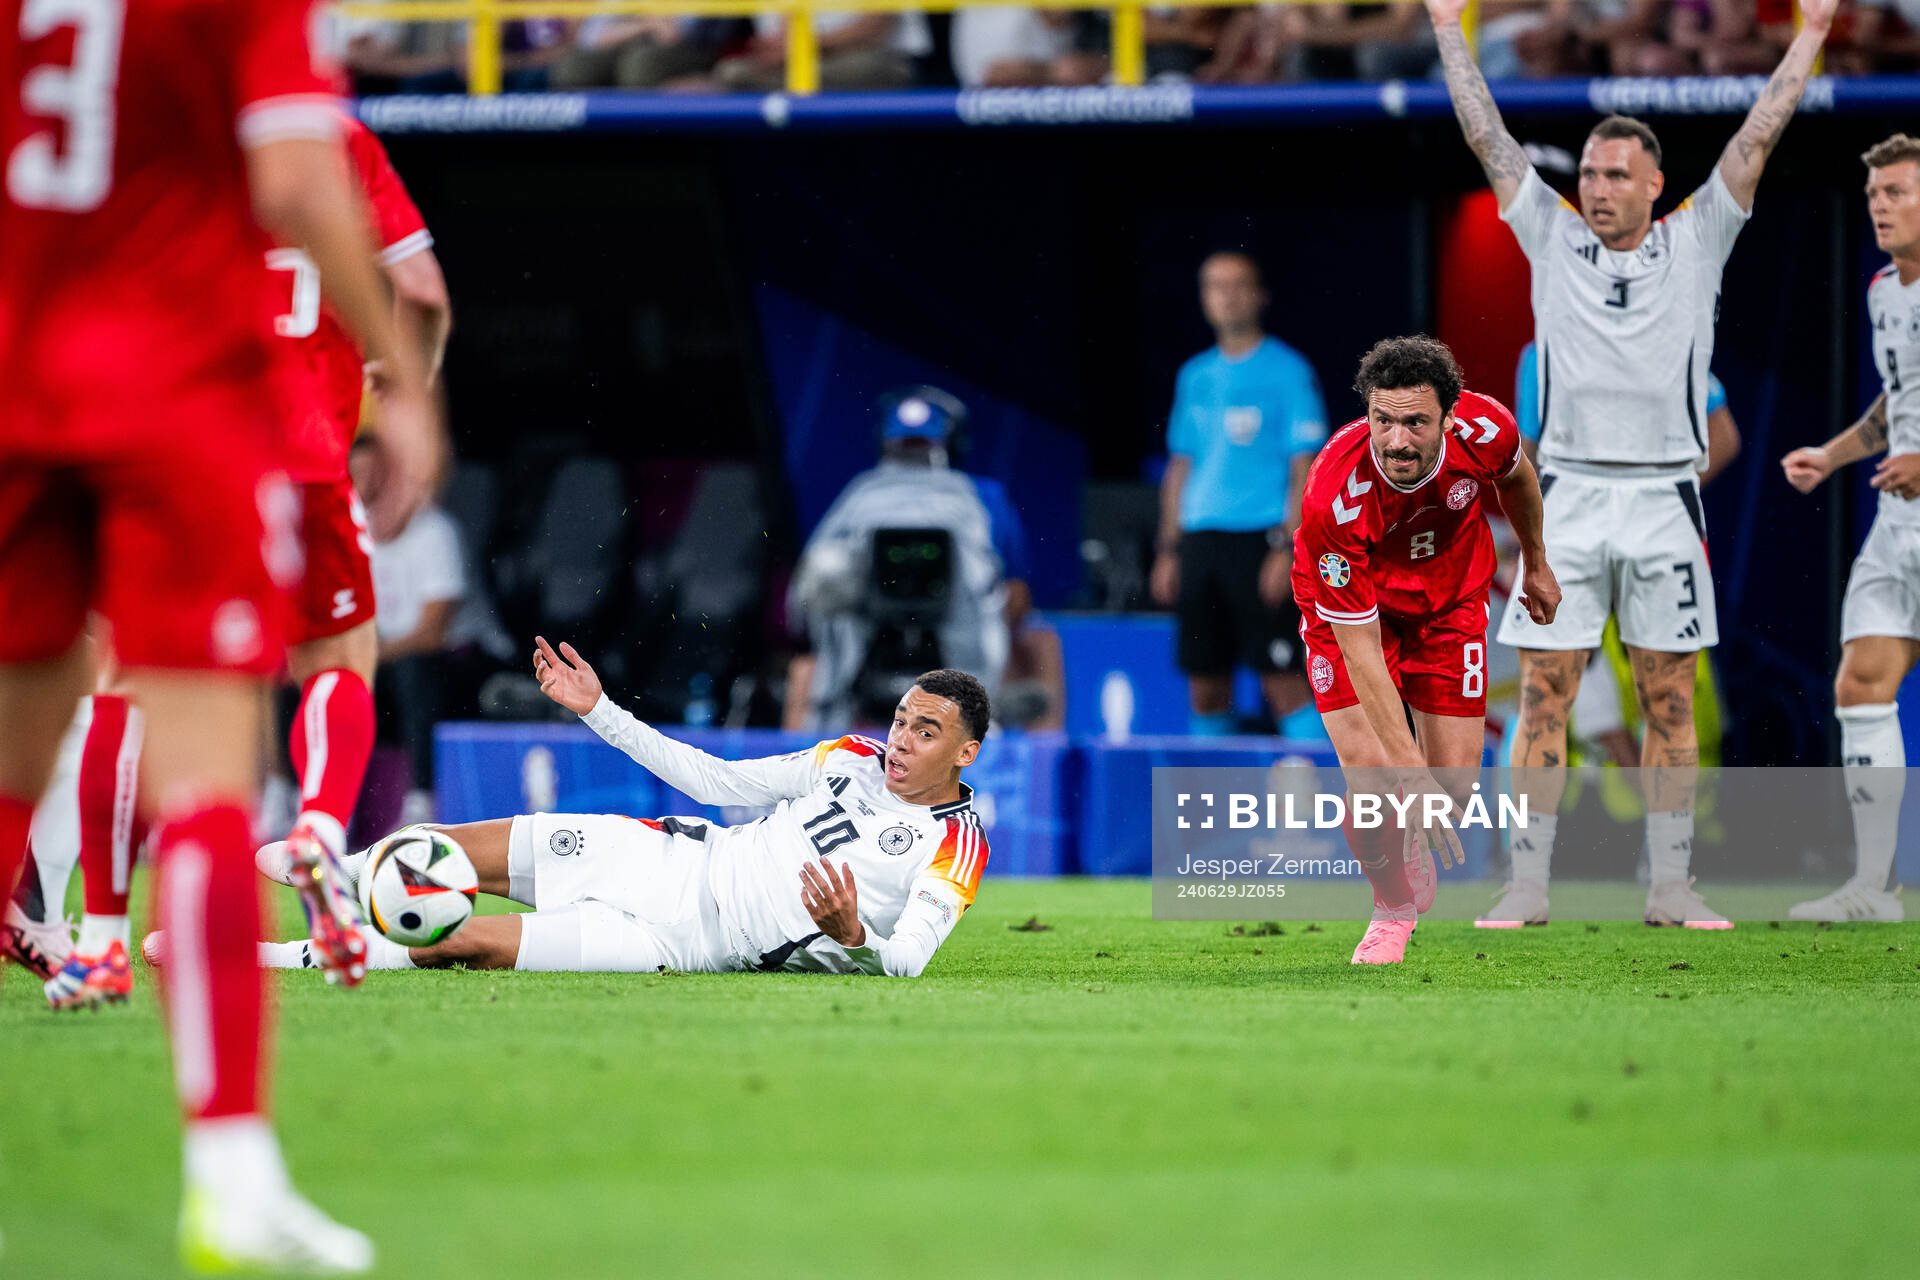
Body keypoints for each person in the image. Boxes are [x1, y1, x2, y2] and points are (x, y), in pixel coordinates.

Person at [0, 0, 439, 1270]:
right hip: (184, 402)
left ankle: (87, 936)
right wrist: (402, 385)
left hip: (21, 385)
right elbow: (306, 180)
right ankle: (232, 1174)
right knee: (210, 758)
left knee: (44, 726)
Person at [1427, 0, 1836, 929]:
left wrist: (1811, 32)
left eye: (1619, 173)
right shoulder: (1551, 236)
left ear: (1657, 183)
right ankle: (1526, 886)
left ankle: (1670, 887)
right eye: (1594, 172)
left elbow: (1759, 133)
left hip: (1661, 502)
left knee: (1667, 696)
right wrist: (1450, 24)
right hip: (1568, 501)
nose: (1600, 187)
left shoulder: (1699, 239)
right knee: (1545, 696)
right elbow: (1486, 135)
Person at [156, 640, 991, 979]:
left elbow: (909, 960)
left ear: (965, 752)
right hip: (668, 856)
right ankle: (299, 868)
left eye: (926, 731)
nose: (900, 739)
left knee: (466, 939)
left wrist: (855, 937)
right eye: (899, 720)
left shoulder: (957, 844)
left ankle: (258, 956)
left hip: (688, 941)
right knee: (439, 849)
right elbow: (710, 780)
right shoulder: (843, 760)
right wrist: (598, 710)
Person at [1292, 337, 1558, 965]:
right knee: (1374, 776)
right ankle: (1390, 910)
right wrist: (1406, 771)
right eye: (1383, 420)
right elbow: (1362, 654)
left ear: (1449, 415)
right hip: (1353, 617)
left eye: (1416, 422)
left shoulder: (1486, 429)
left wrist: (1538, 564)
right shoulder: (1333, 496)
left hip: (1448, 603)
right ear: (1368, 414)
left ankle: (1410, 830)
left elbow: (1518, 477)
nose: (1398, 440)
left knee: (1454, 792)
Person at [1779, 134, 1920, 924]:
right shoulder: (1882, 290)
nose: (1882, 208)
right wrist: (1831, 458)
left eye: (1898, 193)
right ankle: (1877, 886)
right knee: (1861, 685)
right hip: (1898, 525)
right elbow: (1895, 405)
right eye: (1875, 196)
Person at [788, 388, 1039, 729]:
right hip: (874, 643)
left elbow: (803, 594)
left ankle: (812, 747)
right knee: (1039, 644)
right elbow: (1015, 593)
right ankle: (995, 730)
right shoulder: (982, 495)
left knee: (811, 669)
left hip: (937, 639)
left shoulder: (859, 491)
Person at [1152, 251, 1328, 735]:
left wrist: (1288, 545)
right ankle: (1212, 806)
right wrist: (1169, 550)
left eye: (1237, 285)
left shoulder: (1288, 370)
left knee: (1283, 678)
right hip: (1201, 542)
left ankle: (1318, 808)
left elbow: (1306, 465)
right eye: (1214, 286)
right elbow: (1181, 464)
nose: (1226, 296)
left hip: (1262, 540)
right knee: (1205, 683)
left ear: (1260, 296)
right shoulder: (1195, 374)